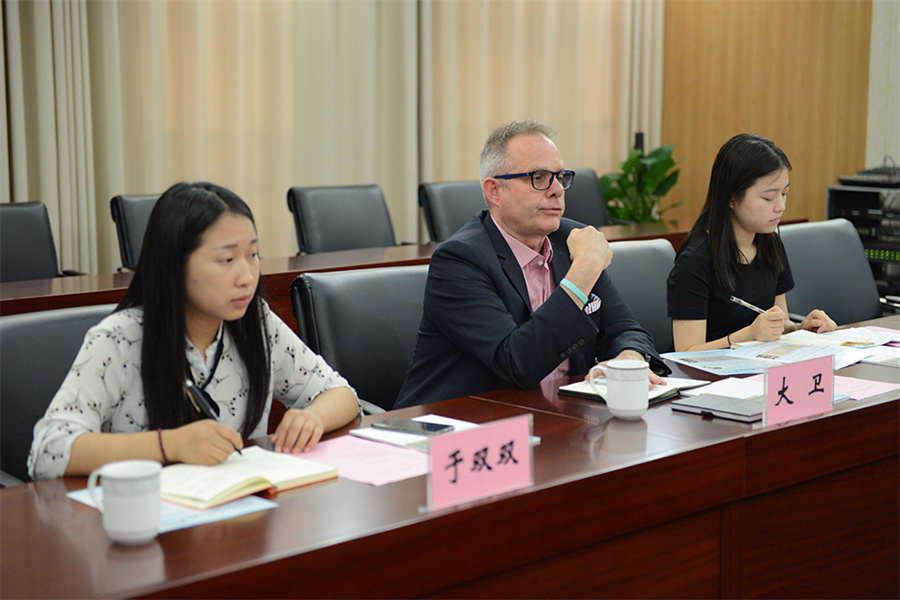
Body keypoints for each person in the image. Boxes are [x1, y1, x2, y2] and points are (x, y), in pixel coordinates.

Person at [29, 182, 360, 479]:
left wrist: (314, 417)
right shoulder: (120, 339)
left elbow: (340, 393)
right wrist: (169, 445)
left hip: (240, 509)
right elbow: (48, 451)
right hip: (146, 515)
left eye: (253, 254)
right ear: (175, 265)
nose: (247, 276)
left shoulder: (256, 323)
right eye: (227, 260)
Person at [394, 120, 668, 409]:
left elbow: (626, 330)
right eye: (539, 177)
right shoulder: (460, 260)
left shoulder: (571, 240)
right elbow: (518, 363)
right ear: (494, 191)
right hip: (460, 422)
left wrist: (628, 359)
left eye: (560, 177)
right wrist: (582, 274)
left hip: (554, 413)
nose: (557, 190)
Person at [667, 133, 836, 352]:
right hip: (709, 371)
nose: (780, 206)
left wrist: (800, 328)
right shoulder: (695, 260)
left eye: (784, 194)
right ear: (731, 198)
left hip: (758, 365)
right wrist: (748, 335)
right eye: (768, 198)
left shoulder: (771, 244)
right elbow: (686, 352)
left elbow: (779, 322)